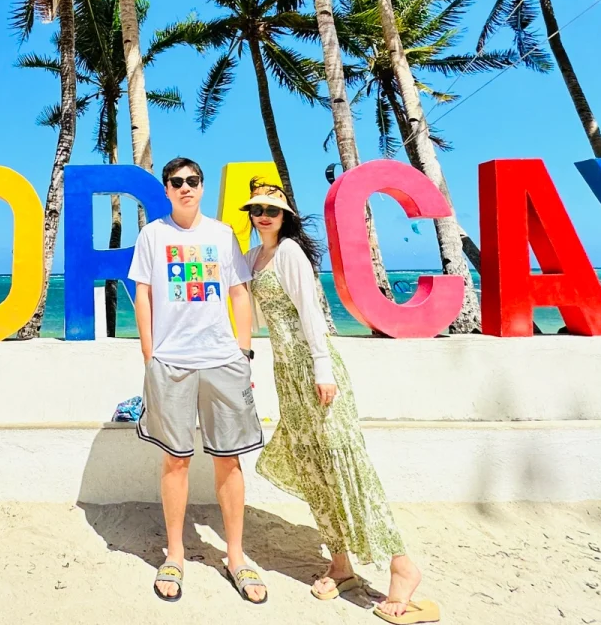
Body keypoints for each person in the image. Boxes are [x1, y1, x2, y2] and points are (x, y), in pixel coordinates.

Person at [243, 177, 439, 625]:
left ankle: (401, 566)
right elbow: (245, 307)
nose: (264, 216)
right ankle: (341, 564)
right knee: (315, 468)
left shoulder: (289, 254)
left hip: (316, 373)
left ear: (286, 217)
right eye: (256, 210)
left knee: (348, 466)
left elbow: (311, 313)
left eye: (272, 210)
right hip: (287, 375)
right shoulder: (255, 257)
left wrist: (322, 370)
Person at [130, 158, 267, 605]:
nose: (185, 187)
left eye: (192, 181)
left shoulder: (222, 234)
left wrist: (243, 350)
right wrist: (150, 355)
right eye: (176, 182)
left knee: (229, 461)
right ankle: (175, 554)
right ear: (167, 191)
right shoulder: (153, 235)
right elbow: (144, 294)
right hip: (171, 363)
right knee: (176, 460)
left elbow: (238, 292)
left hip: (222, 361)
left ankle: (236, 556)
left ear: (202, 187)